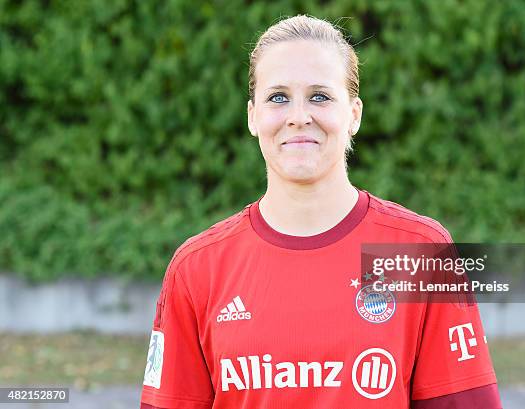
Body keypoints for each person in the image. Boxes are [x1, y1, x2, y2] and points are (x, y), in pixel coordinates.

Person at [140, 14, 502, 409]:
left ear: (354, 115)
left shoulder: (420, 252)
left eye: (320, 96)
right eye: (278, 97)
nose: (298, 115)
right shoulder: (197, 268)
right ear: (252, 116)